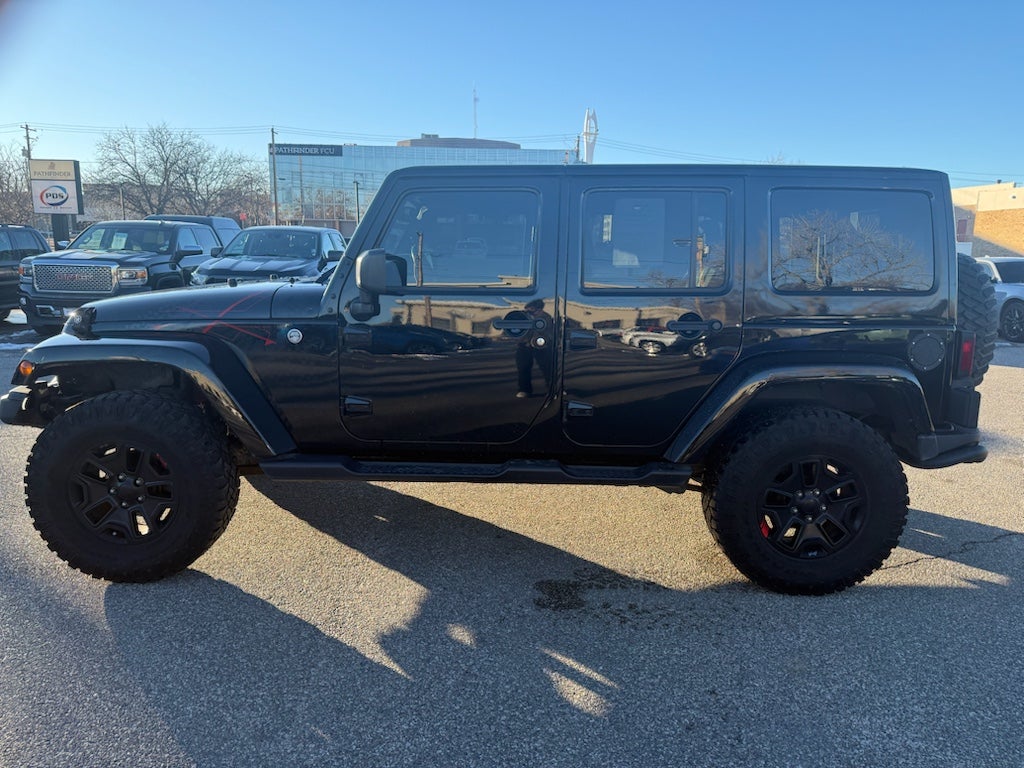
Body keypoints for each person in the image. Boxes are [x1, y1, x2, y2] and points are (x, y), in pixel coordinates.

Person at [515, 299, 554, 398]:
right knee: (523, 368)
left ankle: (553, 388)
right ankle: (524, 389)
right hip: (524, 345)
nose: (528, 311)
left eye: (531, 309)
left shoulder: (546, 317)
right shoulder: (523, 317)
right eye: (527, 309)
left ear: (539, 309)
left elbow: (548, 330)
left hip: (541, 345)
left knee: (547, 367)